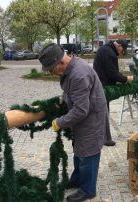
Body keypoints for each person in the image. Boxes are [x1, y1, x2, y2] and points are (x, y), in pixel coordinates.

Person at [39, 43, 109, 202]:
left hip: (91, 119)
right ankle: (77, 179)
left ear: (62, 63)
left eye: (51, 69)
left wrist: (60, 122)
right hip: (86, 116)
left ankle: (88, 189)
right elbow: (71, 91)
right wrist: (63, 100)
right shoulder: (72, 67)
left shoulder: (78, 74)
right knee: (79, 151)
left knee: (88, 153)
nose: (51, 73)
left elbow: (81, 110)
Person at [93, 39, 134, 146]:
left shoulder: (105, 49)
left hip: (99, 84)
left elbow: (110, 71)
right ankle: (104, 139)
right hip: (102, 86)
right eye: (122, 51)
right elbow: (112, 73)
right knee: (103, 112)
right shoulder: (109, 53)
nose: (121, 53)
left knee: (102, 112)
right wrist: (126, 79)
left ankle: (103, 137)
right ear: (119, 46)